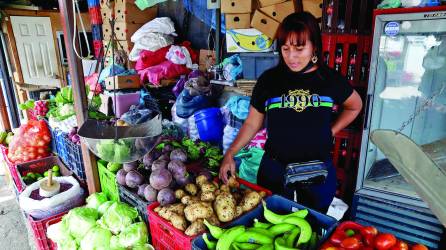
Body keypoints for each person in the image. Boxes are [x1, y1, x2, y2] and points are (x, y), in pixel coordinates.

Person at [219, 12, 363, 212]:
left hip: (317, 169)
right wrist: (230, 154)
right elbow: (253, 122)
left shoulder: (330, 80)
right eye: (285, 49)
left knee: (312, 226)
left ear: (314, 46)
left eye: (300, 48)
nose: (291, 57)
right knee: (271, 220)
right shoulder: (269, 80)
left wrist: (332, 129)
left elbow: (355, 105)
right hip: (275, 168)